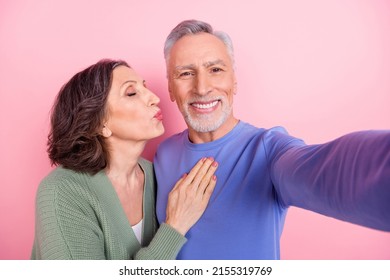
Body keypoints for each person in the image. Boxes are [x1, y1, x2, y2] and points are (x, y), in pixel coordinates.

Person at [154, 19, 390, 259]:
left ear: (234, 81)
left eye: (215, 70)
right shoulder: (163, 154)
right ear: (171, 89)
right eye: (185, 73)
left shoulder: (269, 149)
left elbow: (326, 170)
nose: (202, 88)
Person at [31, 59, 218, 259]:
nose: (154, 98)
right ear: (98, 124)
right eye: (131, 93)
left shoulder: (157, 175)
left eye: (145, 87)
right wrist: (175, 225)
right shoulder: (62, 191)